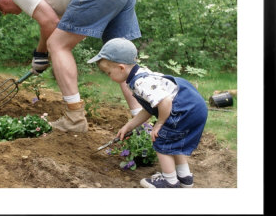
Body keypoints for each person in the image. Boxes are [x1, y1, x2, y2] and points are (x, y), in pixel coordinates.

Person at [0, 0, 142, 133]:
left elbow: (50, 23)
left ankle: (74, 119)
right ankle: (141, 122)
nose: (4, 13)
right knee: (121, 58)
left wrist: (40, 53)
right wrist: (42, 54)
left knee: (58, 45)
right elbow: (58, 24)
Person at [87, 38, 208, 188]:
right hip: (193, 108)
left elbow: (165, 102)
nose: (109, 76)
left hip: (184, 110)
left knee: (161, 141)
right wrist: (129, 126)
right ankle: (184, 177)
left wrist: (160, 123)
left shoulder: (140, 82)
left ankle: (169, 182)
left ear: (121, 68)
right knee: (173, 142)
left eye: (108, 72)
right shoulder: (142, 74)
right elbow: (150, 109)